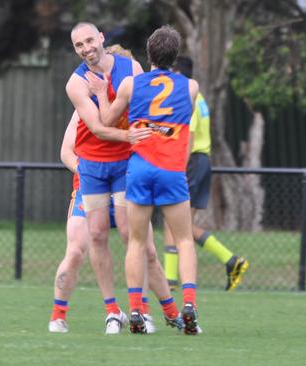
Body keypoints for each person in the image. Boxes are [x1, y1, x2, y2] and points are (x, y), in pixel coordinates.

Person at [64, 28, 181, 335]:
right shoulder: (76, 84)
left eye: (89, 41)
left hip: (126, 164)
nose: (86, 48)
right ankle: (112, 311)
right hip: (92, 166)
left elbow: (143, 113)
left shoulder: (131, 68)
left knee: (137, 240)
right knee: (98, 236)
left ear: (101, 37)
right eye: (79, 45)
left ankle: (147, 310)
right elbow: (99, 128)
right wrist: (129, 133)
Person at [86, 25, 201, 335]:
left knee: (136, 242)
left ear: (148, 53)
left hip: (139, 168)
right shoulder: (190, 87)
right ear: (175, 55)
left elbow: (107, 120)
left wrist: (99, 93)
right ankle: (188, 305)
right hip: (171, 169)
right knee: (185, 239)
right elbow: (183, 120)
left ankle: (136, 310)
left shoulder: (130, 84)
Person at [164, 56, 250, 292]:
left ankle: (170, 282)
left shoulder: (186, 97)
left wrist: (178, 169)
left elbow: (188, 136)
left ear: (178, 74)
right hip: (201, 161)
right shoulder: (199, 97)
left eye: (171, 73)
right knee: (182, 225)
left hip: (190, 161)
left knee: (173, 222)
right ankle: (231, 261)